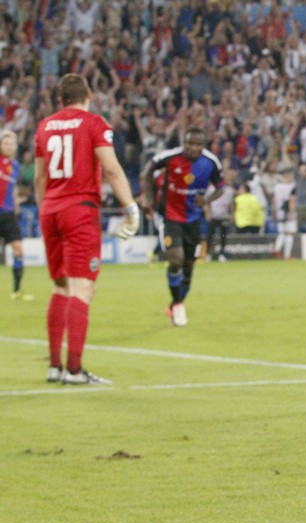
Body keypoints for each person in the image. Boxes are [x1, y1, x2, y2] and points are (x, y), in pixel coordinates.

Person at [34, 73, 140, 385]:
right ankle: (75, 370)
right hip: (79, 211)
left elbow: (40, 178)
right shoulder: (95, 124)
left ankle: (55, 366)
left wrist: (47, 208)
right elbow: (110, 168)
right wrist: (130, 208)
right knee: (83, 289)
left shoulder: (44, 126)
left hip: (50, 209)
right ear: (89, 95)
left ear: (59, 100)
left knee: (60, 287)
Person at [140, 127, 224, 327]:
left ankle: (175, 303)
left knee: (188, 266)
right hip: (169, 217)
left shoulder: (211, 163)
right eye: (189, 143)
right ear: (183, 142)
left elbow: (220, 188)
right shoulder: (171, 157)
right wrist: (149, 199)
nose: (192, 148)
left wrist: (207, 200)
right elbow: (147, 170)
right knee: (175, 260)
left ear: (203, 146)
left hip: (193, 220)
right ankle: (178, 305)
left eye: (197, 144)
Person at [0, 129, 32, 300]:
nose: (9, 146)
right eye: (6, 143)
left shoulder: (16, 166)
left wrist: (16, 203)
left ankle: (16, 291)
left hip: (8, 215)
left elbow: (11, 190)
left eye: (12, 143)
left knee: (18, 250)